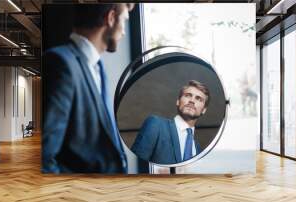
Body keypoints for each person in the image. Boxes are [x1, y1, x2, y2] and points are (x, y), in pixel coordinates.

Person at [42, 4, 134, 173]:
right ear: (111, 18)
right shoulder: (60, 62)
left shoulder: (98, 67)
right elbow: (45, 156)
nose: (124, 31)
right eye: (124, 21)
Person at [131, 80, 210, 164]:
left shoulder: (198, 149)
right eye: (187, 95)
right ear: (178, 101)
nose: (192, 101)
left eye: (199, 99)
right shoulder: (156, 125)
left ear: (204, 110)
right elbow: (135, 167)